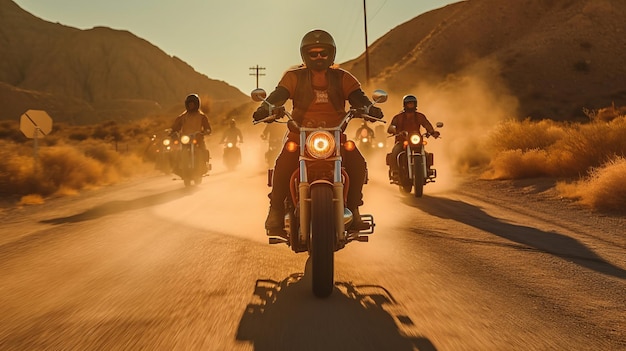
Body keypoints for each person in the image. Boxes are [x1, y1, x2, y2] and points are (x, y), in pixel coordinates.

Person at [252, 29, 384, 234]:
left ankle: (354, 208)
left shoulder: (342, 77)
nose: (319, 57)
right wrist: (266, 107)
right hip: (299, 135)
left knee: (357, 162)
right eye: (313, 54)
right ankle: (276, 210)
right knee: (283, 163)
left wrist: (369, 108)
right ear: (305, 56)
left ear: (331, 54)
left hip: (335, 136)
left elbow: (358, 96)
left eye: (323, 53)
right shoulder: (293, 77)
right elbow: (279, 94)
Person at [386, 94, 440, 180]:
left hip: (416, 141)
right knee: (395, 152)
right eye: (409, 103)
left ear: (415, 104)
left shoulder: (419, 116)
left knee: (426, 154)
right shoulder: (398, 117)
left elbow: (426, 124)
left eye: (412, 103)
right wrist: (395, 131)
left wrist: (432, 132)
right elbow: (391, 127)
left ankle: (427, 170)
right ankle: (395, 171)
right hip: (401, 141)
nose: (410, 105)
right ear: (405, 105)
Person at [170, 94, 212, 173]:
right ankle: (177, 168)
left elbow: (207, 127)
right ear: (187, 105)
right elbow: (176, 126)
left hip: (198, 139)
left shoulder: (202, 116)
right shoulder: (183, 116)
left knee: (204, 150)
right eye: (189, 104)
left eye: (193, 104)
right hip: (185, 139)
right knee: (178, 152)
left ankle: (204, 166)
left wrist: (206, 131)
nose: (191, 106)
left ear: (196, 104)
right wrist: (172, 131)